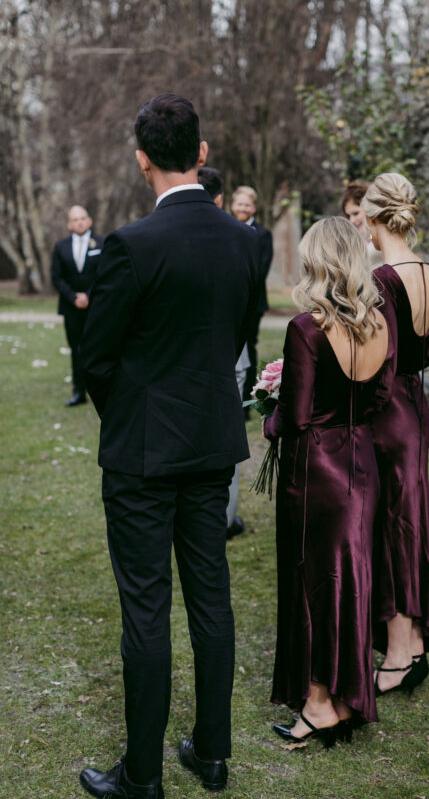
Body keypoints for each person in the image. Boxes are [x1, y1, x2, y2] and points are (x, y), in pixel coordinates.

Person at [78, 94, 259, 799]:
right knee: (211, 595)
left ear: (141, 159)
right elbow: (239, 338)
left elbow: (97, 357)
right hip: (213, 444)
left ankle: (145, 777)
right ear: (203, 154)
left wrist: (128, 415)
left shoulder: (130, 244)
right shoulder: (245, 242)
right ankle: (212, 753)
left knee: (147, 608)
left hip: (144, 456)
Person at [264, 216, 396, 744]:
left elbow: (294, 418)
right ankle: (344, 696)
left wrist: (267, 414)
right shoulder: (380, 323)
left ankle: (318, 703)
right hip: (363, 464)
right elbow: (382, 398)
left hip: (315, 471)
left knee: (312, 584)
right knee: (349, 583)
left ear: (318, 260)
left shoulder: (307, 328)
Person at [361, 173, 429, 695]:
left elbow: (377, 363)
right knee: (409, 525)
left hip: (387, 413)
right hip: (416, 406)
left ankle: (396, 655)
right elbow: (427, 353)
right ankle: (411, 645)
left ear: (373, 217)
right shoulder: (427, 271)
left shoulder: (384, 279)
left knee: (389, 529)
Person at [198, 166, 248, 539]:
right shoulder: (239, 237)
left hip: (188, 363)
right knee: (226, 445)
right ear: (220, 199)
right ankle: (225, 520)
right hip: (230, 354)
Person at [50, 206, 104, 406]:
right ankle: (78, 392)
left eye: (83, 218)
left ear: (89, 221)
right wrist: (73, 297)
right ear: (69, 224)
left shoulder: (102, 243)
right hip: (71, 308)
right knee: (76, 350)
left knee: (98, 349)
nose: (80, 222)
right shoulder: (60, 246)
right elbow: (56, 277)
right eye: (75, 219)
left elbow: (105, 273)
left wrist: (89, 295)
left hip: (96, 307)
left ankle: (100, 390)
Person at [231, 185, 273, 409]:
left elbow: (262, 268)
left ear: (253, 207)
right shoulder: (226, 229)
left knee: (251, 346)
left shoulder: (263, 234)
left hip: (253, 300)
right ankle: (233, 396)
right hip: (230, 299)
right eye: (239, 203)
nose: (243, 208)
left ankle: (251, 397)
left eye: (247, 204)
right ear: (232, 205)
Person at [341, 180, 381, 269]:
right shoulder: (359, 241)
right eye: (348, 216)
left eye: (355, 213)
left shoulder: (383, 239)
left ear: (369, 208)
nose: (352, 221)